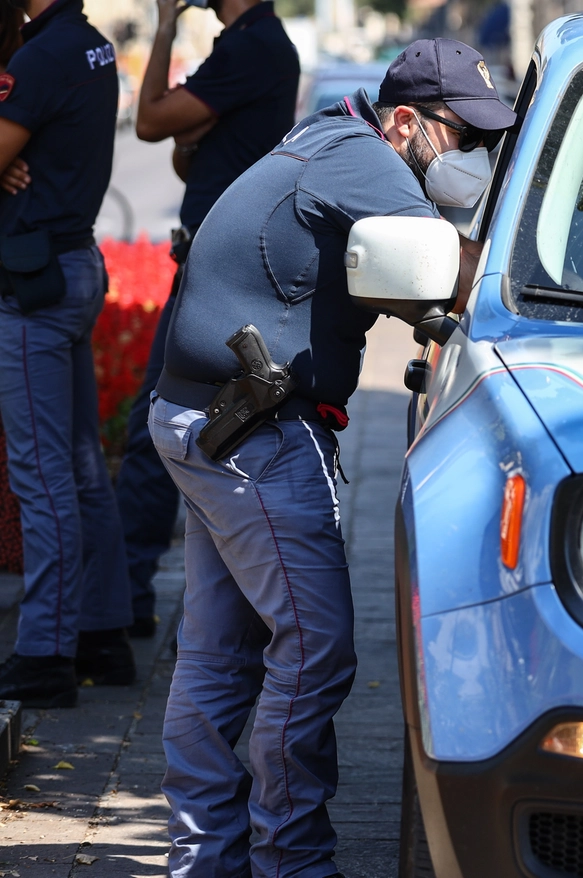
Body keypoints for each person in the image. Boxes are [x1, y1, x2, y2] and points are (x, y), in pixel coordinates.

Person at [151, 38, 512, 877]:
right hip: (255, 434)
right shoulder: (366, 161)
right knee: (315, 650)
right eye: (464, 138)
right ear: (408, 122)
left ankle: (203, 859)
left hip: (206, 421)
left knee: (217, 656)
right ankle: (293, 860)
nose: (473, 160)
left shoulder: (331, 138)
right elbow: (463, 278)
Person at [117, 0, 299, 639]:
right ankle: (160, 602)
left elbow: (149, 123)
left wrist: (165, 24)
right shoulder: (247, 45)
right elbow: (184, 156)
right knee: (201, 434)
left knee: (163, 429)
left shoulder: (252, 47)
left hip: (214, 277)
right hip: (216, 267)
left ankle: (128, 599)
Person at [0, 0, 135, 708]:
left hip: (34, 284)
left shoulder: (42, 56)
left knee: (43, 473)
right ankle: (102, 635)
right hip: (74, 264)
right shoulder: (90, 46)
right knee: (82, 466)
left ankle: (46, 653)